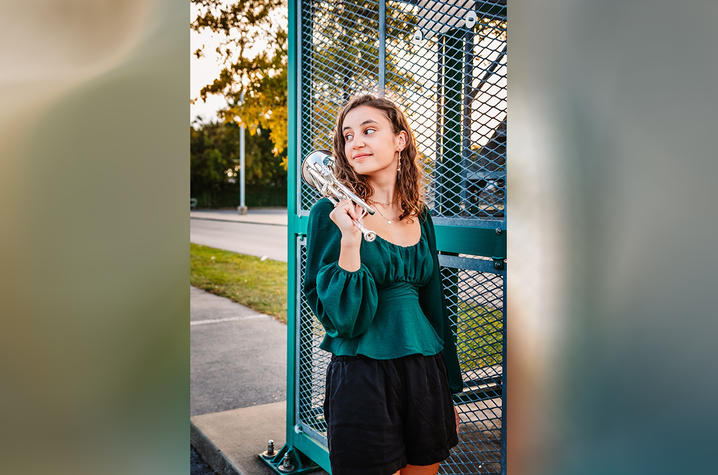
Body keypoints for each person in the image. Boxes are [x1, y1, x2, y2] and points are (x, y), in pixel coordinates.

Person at [303, 94, 463, 475]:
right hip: (363, 372)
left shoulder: (418, 214)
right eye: (347, 135)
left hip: (425, 369)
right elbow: (343, 319)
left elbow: (434, 304)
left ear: (400, 140)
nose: (355, 142)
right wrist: (349, 239)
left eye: (369, 130)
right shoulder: (330, 212)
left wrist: (449, 391)